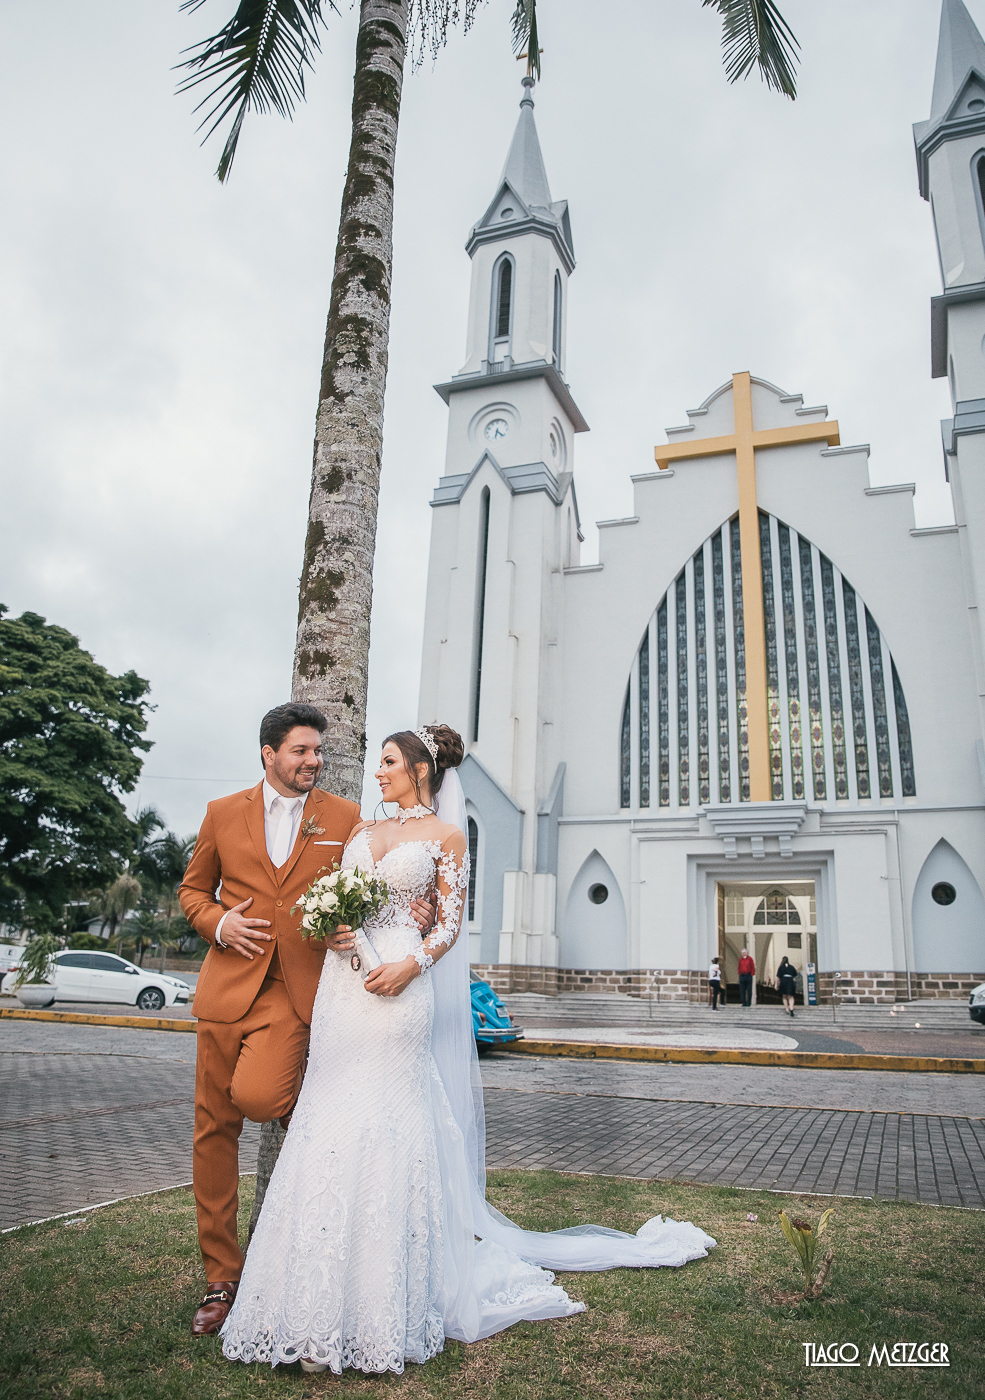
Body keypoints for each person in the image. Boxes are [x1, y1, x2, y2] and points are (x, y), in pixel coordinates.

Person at [220, 724, 715, 1375]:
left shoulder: (446, 838)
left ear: (419, 769)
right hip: (344, 990)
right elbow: (336, 900)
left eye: (388, 762)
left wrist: (411, 965)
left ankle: (375, 1309)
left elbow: (450, 924)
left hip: (401, 988)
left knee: (386, 1128)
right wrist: (335, 928)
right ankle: (307, 1306)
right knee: (327, 1124)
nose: (378, 772)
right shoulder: (363, 831)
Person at [178, 703, 437, 1336]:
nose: (314, 761)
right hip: (224, 990)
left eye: (318, 751)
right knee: (213, 1131)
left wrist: (421, 909)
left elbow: (386, 874)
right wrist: (219, 923)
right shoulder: (221, 813)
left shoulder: (345, 818)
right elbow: (192, 891)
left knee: (261, 1098)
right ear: (269, 754)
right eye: (301, 751)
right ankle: (223, 1278)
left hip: (297, 995)